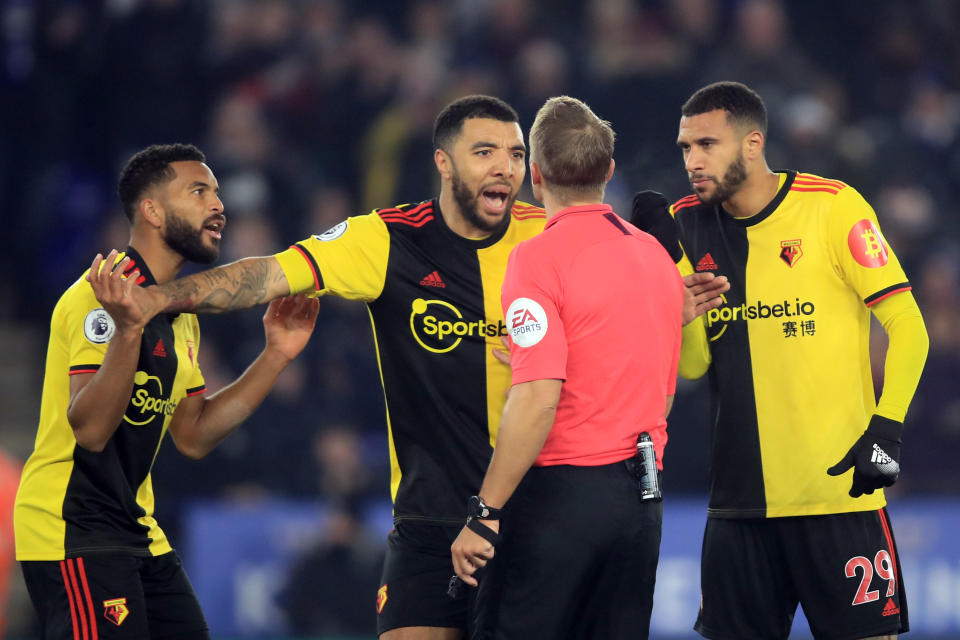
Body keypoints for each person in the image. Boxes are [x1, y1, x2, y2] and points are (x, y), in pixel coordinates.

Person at [105, 96, 538, 640]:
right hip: (429, 519)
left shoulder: (551, 237)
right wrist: (159, 299)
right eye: (485, 151)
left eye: (517, 154)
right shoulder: (387, 238)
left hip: (533, 515)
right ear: (444, 163)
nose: (506, 166)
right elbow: (266, 275)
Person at [633, 81, 928, 640]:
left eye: (706, 145)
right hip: (737, 506)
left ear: (752, 143)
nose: (693, 161)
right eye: (685, 148)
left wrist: (886, 428)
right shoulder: (684, 224)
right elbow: (694, 366)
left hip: (840, 496)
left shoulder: (832, 206)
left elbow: (909, 327)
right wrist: (674, 283)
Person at [14, 144, 319, 640]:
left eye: (217, 193)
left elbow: (193, 435)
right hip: (72, 527)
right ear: (152, 211)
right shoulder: (101, 296)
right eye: (199, 191)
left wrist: (274, 357)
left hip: (138, 529)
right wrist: (128, 332)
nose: (218, 205)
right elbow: (89, 430)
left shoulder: (180, 317)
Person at [450, 96, 684, 640]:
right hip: (641, 504)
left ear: (535, 175)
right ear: (608, 171)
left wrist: (485, 510)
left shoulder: (536, 258)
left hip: (560, 500)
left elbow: (537, 397)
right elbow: (658, 388)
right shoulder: (654, 255)